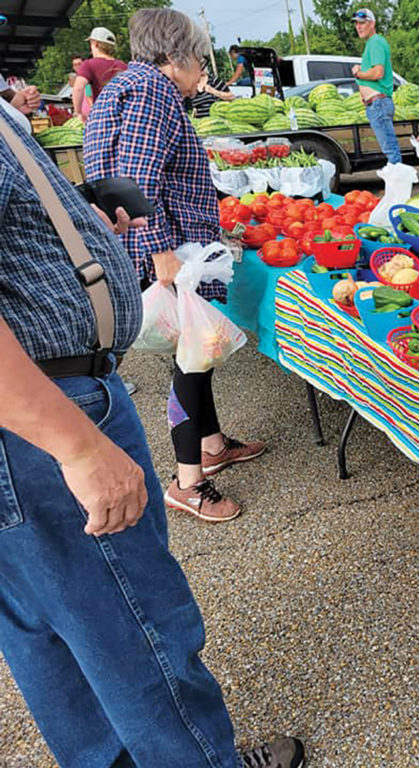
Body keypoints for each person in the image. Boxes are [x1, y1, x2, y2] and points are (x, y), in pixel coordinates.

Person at [0, 80, 303, 768]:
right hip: (42, 416)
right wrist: (76, 446)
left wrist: (75, 227)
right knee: (134, 626)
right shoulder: (147, 92)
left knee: (46, 629)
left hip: (37, 407)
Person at [85, 8, 267, 523]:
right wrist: (162, 248)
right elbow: (136, 178)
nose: (201, 74)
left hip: (162, 246)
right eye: (199, 62)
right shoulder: (153, 92)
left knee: (196, 350)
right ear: (175, 56)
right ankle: (188, 481)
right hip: (169, 252)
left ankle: (211, 444)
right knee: (190, 356)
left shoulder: (126, 86)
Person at [351, 8, 402, 166]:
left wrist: (359, 74)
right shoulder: (372, 44)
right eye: (356, 24)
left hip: (378, 103)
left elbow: (378, 72)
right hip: (375, 104)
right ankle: (397, 184)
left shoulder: (376, 42)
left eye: (362, 23)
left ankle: (399, 186)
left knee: (391, 151)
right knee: (389, 148)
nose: (358, 26)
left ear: (372, 23)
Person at [73, 27, 127, 122]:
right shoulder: (124, 66)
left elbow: (78, 88)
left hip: (102, 117)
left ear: (96, 44)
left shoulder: (88, 64)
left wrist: (78, 113)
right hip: (124, 116)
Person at [71, 54, 93, 118]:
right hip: (82, 114)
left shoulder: (86, 79)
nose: (77, 66)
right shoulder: (76, 80)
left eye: (79, 64)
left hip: (88, 113)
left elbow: (89, 96)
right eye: (75, 65)